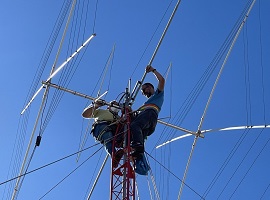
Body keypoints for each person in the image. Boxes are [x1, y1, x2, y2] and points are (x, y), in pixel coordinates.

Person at [130, 65, 165, 170]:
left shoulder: (157, 95)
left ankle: (138, 148)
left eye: (144, 89)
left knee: (135, 125)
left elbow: (162, 80)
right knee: (136, 133)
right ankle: (138, 154)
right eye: (143, 92)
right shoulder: (145, 104)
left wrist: (153, 70)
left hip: (150, 115)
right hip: (148, 122)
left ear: (150, 87)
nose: (144, 92)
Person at [82, 100, 124, 167]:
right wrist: (96, 106)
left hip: (114, 129)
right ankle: (114, 155)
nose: (115, 106)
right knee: (107, 135)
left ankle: (132, 152)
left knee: (125, 133)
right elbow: (85, 114)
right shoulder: (101, 111)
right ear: (108, 107)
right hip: (102, 126)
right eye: (113, 104)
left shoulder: (118, 117)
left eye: (117, 105)